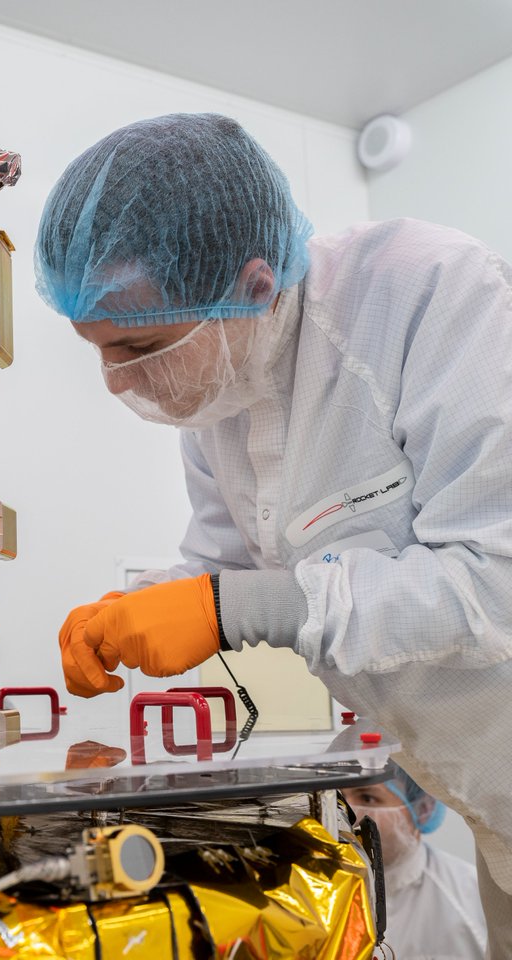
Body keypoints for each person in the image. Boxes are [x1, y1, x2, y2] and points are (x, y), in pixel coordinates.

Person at [35, 113, 512, 956]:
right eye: (97, 349)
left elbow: (490, 583)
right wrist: (134, 610)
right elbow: (222, 569)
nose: (115, 381)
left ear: (255, 285)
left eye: (138, 344)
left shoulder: (431, 293)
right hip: (485, 799)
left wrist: (227, 608)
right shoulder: (223, 382)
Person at [343, 766, 486, 959]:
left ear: (423, 808)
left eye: (367, 798)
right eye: (339, 799)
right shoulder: (316, 890)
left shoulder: (473, 899)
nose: (347, 815)